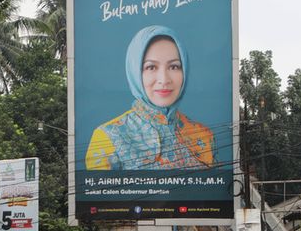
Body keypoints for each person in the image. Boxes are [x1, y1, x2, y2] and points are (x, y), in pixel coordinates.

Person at [85, 25, 215, 170]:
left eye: (174, 67)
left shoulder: (204, 135)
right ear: (135, 72)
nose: (164, 79)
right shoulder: (108, 137)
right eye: (151, 67)